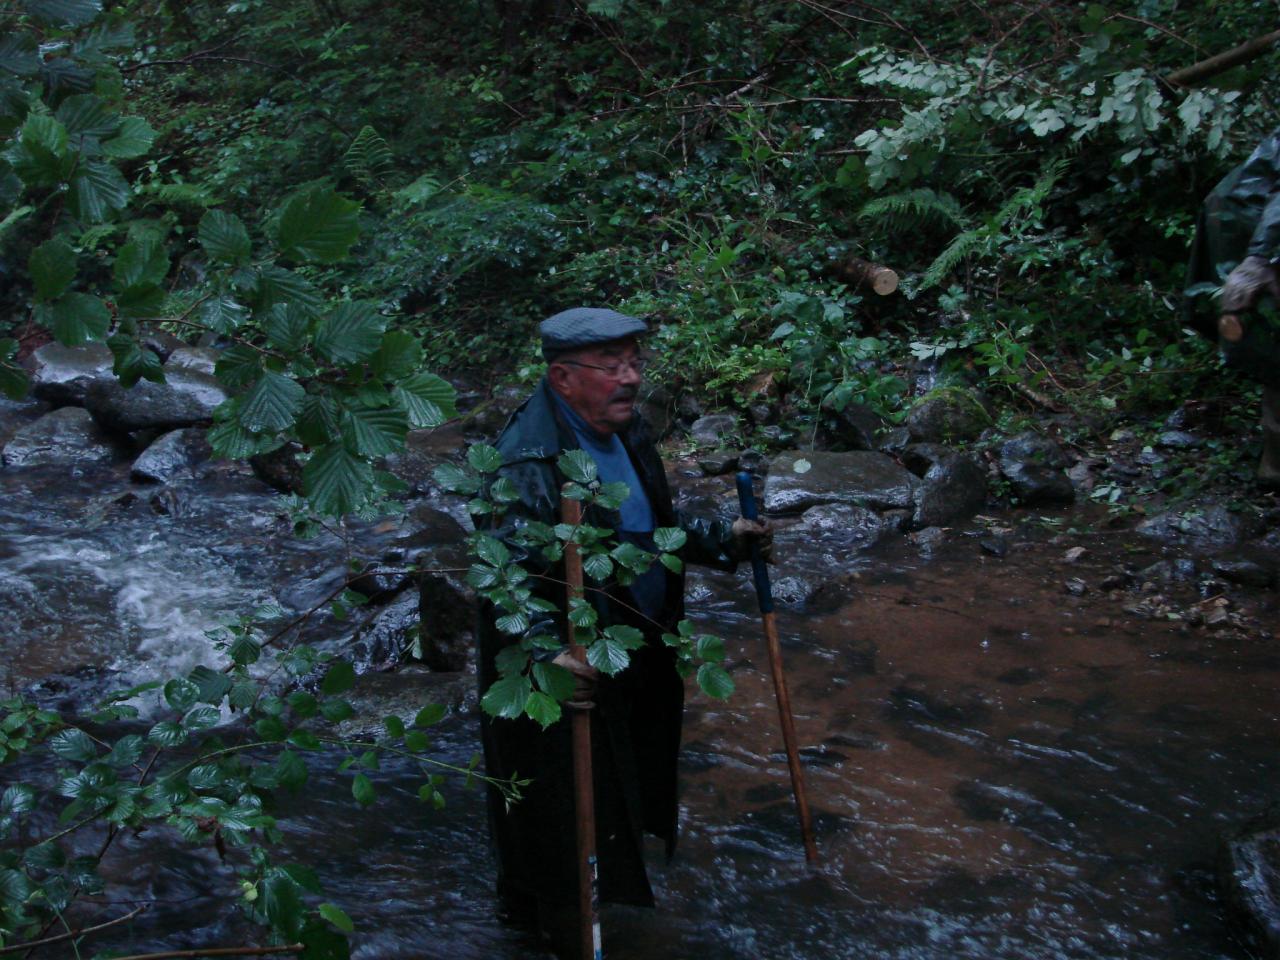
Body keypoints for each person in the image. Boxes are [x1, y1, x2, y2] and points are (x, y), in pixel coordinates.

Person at [474, 306, 771, 957]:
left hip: (631, 646)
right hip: (559, 673)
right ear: (562, 376)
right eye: (612, 367)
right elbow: (505, 581)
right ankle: (549, 928)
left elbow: (640, 534)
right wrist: (550, 651)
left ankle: (608, 902)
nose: (631, 378)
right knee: (555, 813)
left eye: (634, 362)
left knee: (621, 785)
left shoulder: (624, 432)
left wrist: (722, 539)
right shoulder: (525, 459)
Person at [1185, 126, 1280, 487]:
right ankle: (1275, 464)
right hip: (1250, 223)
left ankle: (1274, 463)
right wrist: (1260, 258)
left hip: (1244, 219)